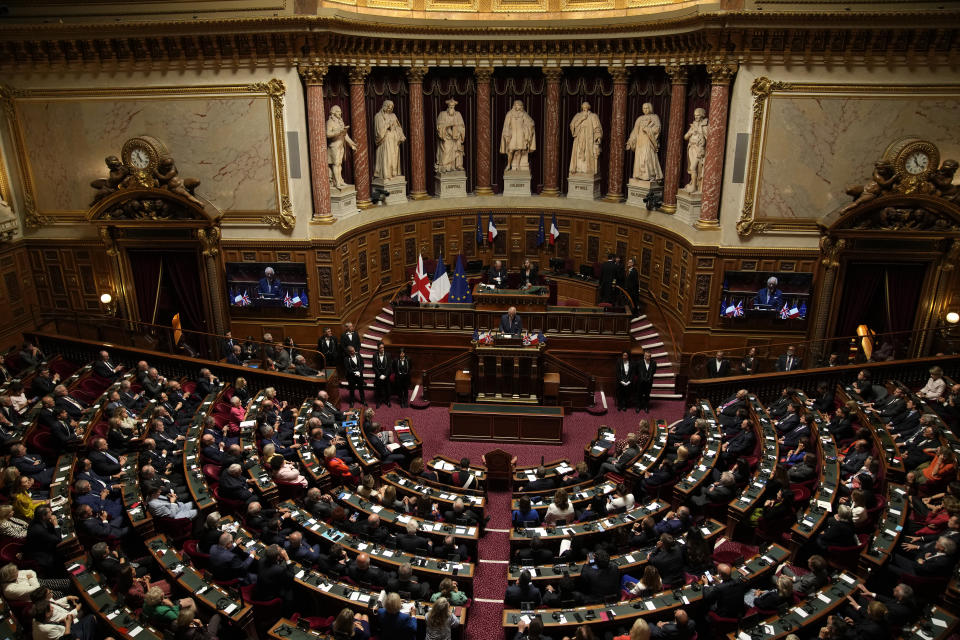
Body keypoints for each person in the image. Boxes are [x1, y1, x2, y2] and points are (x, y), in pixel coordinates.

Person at [626, 102, 663, 182]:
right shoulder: (639, 118)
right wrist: (631, 140)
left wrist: (648, 130)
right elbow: (635, 131)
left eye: (647, 108)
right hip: (640, 141)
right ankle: (639, 175)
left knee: (647, 158)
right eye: (644, 108)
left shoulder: (654, 117)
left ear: (650, 108)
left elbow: (657, 129)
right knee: (639, 158)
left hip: (648, 141)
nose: (645, 110)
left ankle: (650, 175)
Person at [373, 100, 406, 180]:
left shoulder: (393, 116)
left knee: (394, 158)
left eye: (391, 108)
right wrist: (387, 124)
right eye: (388, 107)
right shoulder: (378, 116)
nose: (389, 109)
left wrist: (400, 133)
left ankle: (393, 173)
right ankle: (386, 174)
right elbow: (378, 132)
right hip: (385, 140)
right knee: (387, 157)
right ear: (384, 106)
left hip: (394, 140)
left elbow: (398, 126)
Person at [326, 105, 357, 189]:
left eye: (340, 111)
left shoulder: (340, 121)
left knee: (339, 164)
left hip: (341, 145)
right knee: (335, 164)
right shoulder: (330, 122)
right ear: (333, 112)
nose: (340, 113)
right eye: (338, 111)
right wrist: (338, 131)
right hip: (334, 146)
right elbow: (328, 134)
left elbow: (345, 135)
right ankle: (337, 183)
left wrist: (351, 143)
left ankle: (340, 180)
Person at [501, 100, 536, 172]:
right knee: (511, 150)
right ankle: (509, 165)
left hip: (521, 135)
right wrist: (507, 133)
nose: (518, 107)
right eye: (516, 105)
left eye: (519, 105)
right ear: (514, 106)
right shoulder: (509, 114)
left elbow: (531, 122)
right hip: (512, 135)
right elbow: (506, 125)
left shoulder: (524, 114)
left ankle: (518, 165)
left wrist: (527, 128)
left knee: (519, 150)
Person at [569, 101, 602, 176]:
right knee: (578, 153)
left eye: (586, 106)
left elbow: (597, 128)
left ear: (588, 107)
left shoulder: (593, 116)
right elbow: (572, 125)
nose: (585, 108)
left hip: (589, 138)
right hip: (579, 137)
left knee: (588, 153)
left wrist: (598, 137)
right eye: (583, 107)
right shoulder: (578, 115)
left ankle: (587, 169)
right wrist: (582, 119)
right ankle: (578, 169)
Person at [435, 98, 465, 173]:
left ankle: (456, 166)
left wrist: (458, 132)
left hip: (455, 137)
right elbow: (439, 126)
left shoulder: (458, 114)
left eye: (453, 107)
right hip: (446, 137)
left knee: (457, 151)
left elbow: (462, 126)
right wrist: (448, 126)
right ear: (448, 107)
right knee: (446, 150)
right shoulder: (442, 114)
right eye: (450, 107)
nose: (452, 108)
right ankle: (446, 166)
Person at [682, 108, 708, 192]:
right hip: (691, 148)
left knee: (693, 167)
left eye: (698, 115)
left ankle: (694, 186)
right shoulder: (693, 125)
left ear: (702, 115)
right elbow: (685, 137)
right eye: (695, 115)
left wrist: (700, 133)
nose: (696, 117)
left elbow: (708, 137)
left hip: (699, 149)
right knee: (692, 167)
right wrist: (691, 132)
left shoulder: (705, 125)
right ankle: (694, 184)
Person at [372, 342, 392, 408]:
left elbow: (389, 366)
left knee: (388, 389)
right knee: (379, 389)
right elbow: (374, 367)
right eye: (380, 348)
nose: (382, 349)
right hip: (378, 376)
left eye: (383, 347)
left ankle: (388, 401)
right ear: (378, 348)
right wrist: (379, 375)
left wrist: (385, 375)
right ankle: (379, 401)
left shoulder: (388, 355)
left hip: (386, 376)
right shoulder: (375, 355)